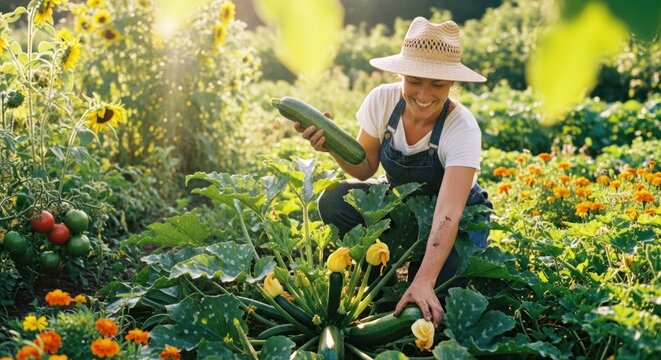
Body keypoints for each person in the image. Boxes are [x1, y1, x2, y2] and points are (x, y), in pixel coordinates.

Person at [294, 17, 491, 329]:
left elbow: (448, 214)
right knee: (334, 200)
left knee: (434, 298)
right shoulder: (382, 100)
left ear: (453, 84)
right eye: (414, 80)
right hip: (407, 206)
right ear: (401, 75)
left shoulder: (462, 128)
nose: (424, 95)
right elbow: (365, 169)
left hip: (458, 217)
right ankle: (376, 283)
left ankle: (435, 267)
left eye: (437, 84)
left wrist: (424, 280)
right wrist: (330, 146)